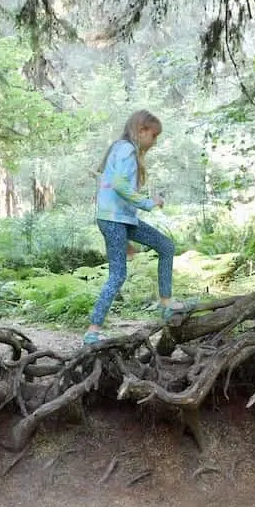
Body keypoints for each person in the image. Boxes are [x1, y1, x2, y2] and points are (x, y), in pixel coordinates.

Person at [83, 109, 194, 345]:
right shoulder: (126, 148)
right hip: (114, 220)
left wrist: (126, 239)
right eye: (154, 136)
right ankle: (92, 330)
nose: (155, 142)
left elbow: (113, 184)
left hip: (122, 220)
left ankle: (166, 305)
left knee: (165, 246)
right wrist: (147, 203)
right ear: (142, 130)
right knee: (118, 274)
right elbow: (120, 185)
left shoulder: (124, 150)